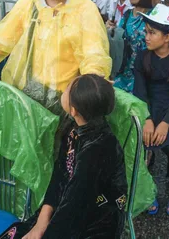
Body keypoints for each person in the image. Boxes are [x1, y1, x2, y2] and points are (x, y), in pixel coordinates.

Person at [18, 75, 126, 239]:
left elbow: (75, 207)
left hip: (96, 223)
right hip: (68, 207)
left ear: (74, 110)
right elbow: (60, 175)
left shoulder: (97, 149)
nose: (64, 89)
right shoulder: (74, 129)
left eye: (67, 88)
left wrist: (44, 230)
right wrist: (42, 220)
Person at [133, 4, 169, 216]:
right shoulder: (142, 57)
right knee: (136, 146)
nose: (146, 36)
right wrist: (147, 118)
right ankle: (144, 190)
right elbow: (139, 91)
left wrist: (166, 123)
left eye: (152, 33)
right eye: (146, 31)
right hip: (148, 109)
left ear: (167, 37)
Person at [111, 0, 158, 92]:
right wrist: (111, 31)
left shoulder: (154, 15)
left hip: (144, 77)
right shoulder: (127, 15)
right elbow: (119, 42)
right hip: (122, 75)